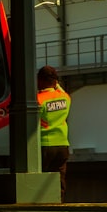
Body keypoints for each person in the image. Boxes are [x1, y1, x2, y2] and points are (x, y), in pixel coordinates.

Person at [37, 65, 71, 202]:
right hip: (62, 145)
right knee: (59, 178)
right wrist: (56, 85)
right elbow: (59, 89)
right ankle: (59, 203)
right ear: (55, 82)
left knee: (41, 179)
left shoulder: (38, 100)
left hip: (45, 144)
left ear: (40, 80)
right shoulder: (65, 98)